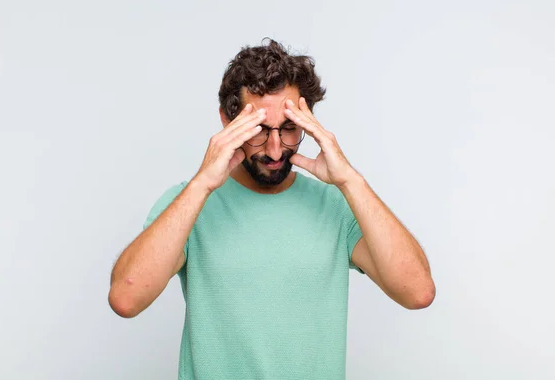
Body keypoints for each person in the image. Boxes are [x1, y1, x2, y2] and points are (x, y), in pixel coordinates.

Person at [108, 38, 435, 379]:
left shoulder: (336, 206)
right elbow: (126, 298)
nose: (276, 150)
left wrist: (350, 181)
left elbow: (418, 291)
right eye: (259, 130)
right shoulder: (188, 204)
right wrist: (202, 184)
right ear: (228, 121)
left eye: (290, 129)